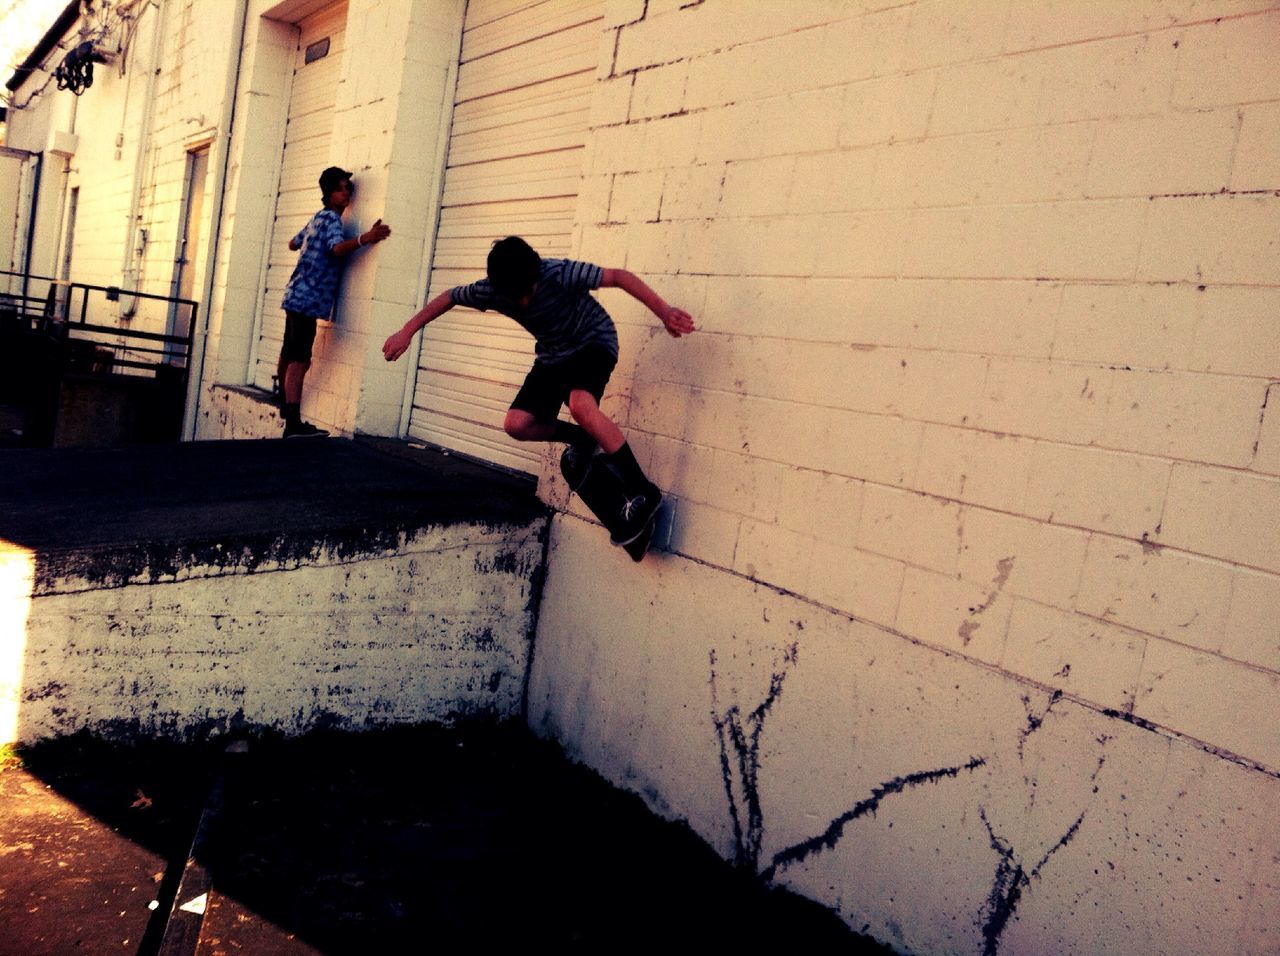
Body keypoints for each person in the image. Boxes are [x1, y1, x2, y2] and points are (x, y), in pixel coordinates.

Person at [382, 236, 695, 544]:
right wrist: (406, 331)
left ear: (536, 273)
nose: (525, 302)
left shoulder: (557, 273)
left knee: (581, 405)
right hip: (553, 355)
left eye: (529, 293)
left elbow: (618, 276)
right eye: (516, 298)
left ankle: (643, 490)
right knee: (516, 424)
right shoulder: (490, 290)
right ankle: (581, 438)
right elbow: (449, 296)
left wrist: (664, 312)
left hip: (593, 341)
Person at [277, 166, 391, 437]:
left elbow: (293, 243)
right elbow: (336, 249)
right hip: (308, 299)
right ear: (328, 193)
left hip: (295, 294)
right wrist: (367, 238)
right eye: (341, 188)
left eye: (348, 188)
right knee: (300, 360)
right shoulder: (332, 220)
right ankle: (293, 423)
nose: (347, 193)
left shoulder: (317, 218)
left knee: (289, 352)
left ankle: (285, 405)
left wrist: (307, 246)